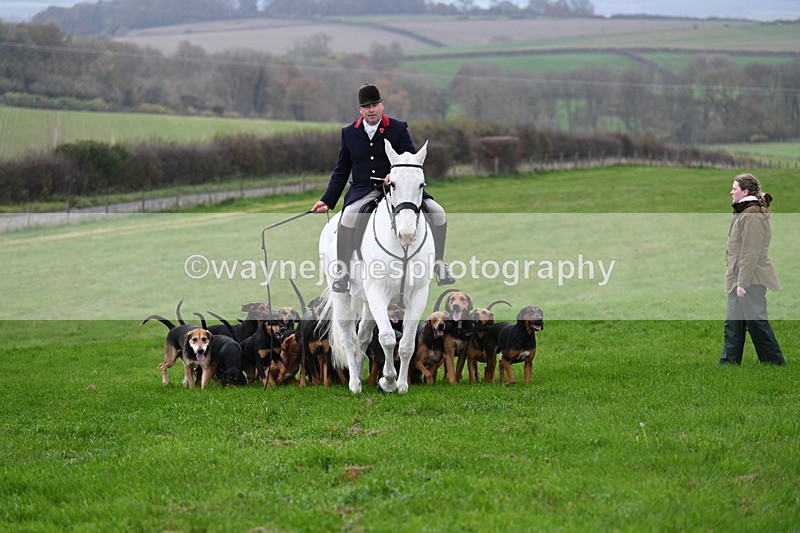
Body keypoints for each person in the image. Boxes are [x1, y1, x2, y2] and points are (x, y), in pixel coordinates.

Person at [311, 83, 456, 293]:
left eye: (375, 105)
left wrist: (394, 174)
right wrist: (326, 200)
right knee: (349, 216)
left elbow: (411, 159)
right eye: (367, 106)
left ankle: (439, 264)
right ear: (360, 109)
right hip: (364, 189)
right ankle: (342, 273)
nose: (372, 110)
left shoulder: (398, 128)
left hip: (400, 189)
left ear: (382, 105)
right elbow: (341, 170)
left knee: (438, 212)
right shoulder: (349, 133)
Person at [720, 173, 785, 365]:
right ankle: (729, 363)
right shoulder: (744, 211)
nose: (731, 192)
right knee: (734, 323)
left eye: (734, 189)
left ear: (745, 191)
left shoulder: (752, 214)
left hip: (751, 278)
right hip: (737, 277)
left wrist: (742, 283)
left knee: (756, 322)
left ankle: (774, 362)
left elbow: (751, 251)